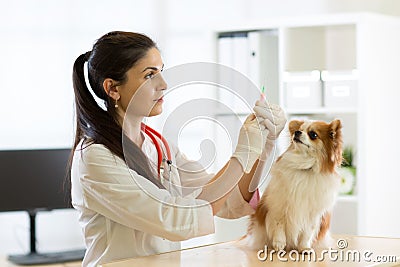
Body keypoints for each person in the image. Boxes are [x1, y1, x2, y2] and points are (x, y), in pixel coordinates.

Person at [69, 31, 286, 267]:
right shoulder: (95, 158)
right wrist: (243, 153)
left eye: (161, 71)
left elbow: (227, 201)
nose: (163, 84)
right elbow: (176, 220)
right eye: (149, 75)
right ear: (112, 88)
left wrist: (264, 146)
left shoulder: (158, 146)